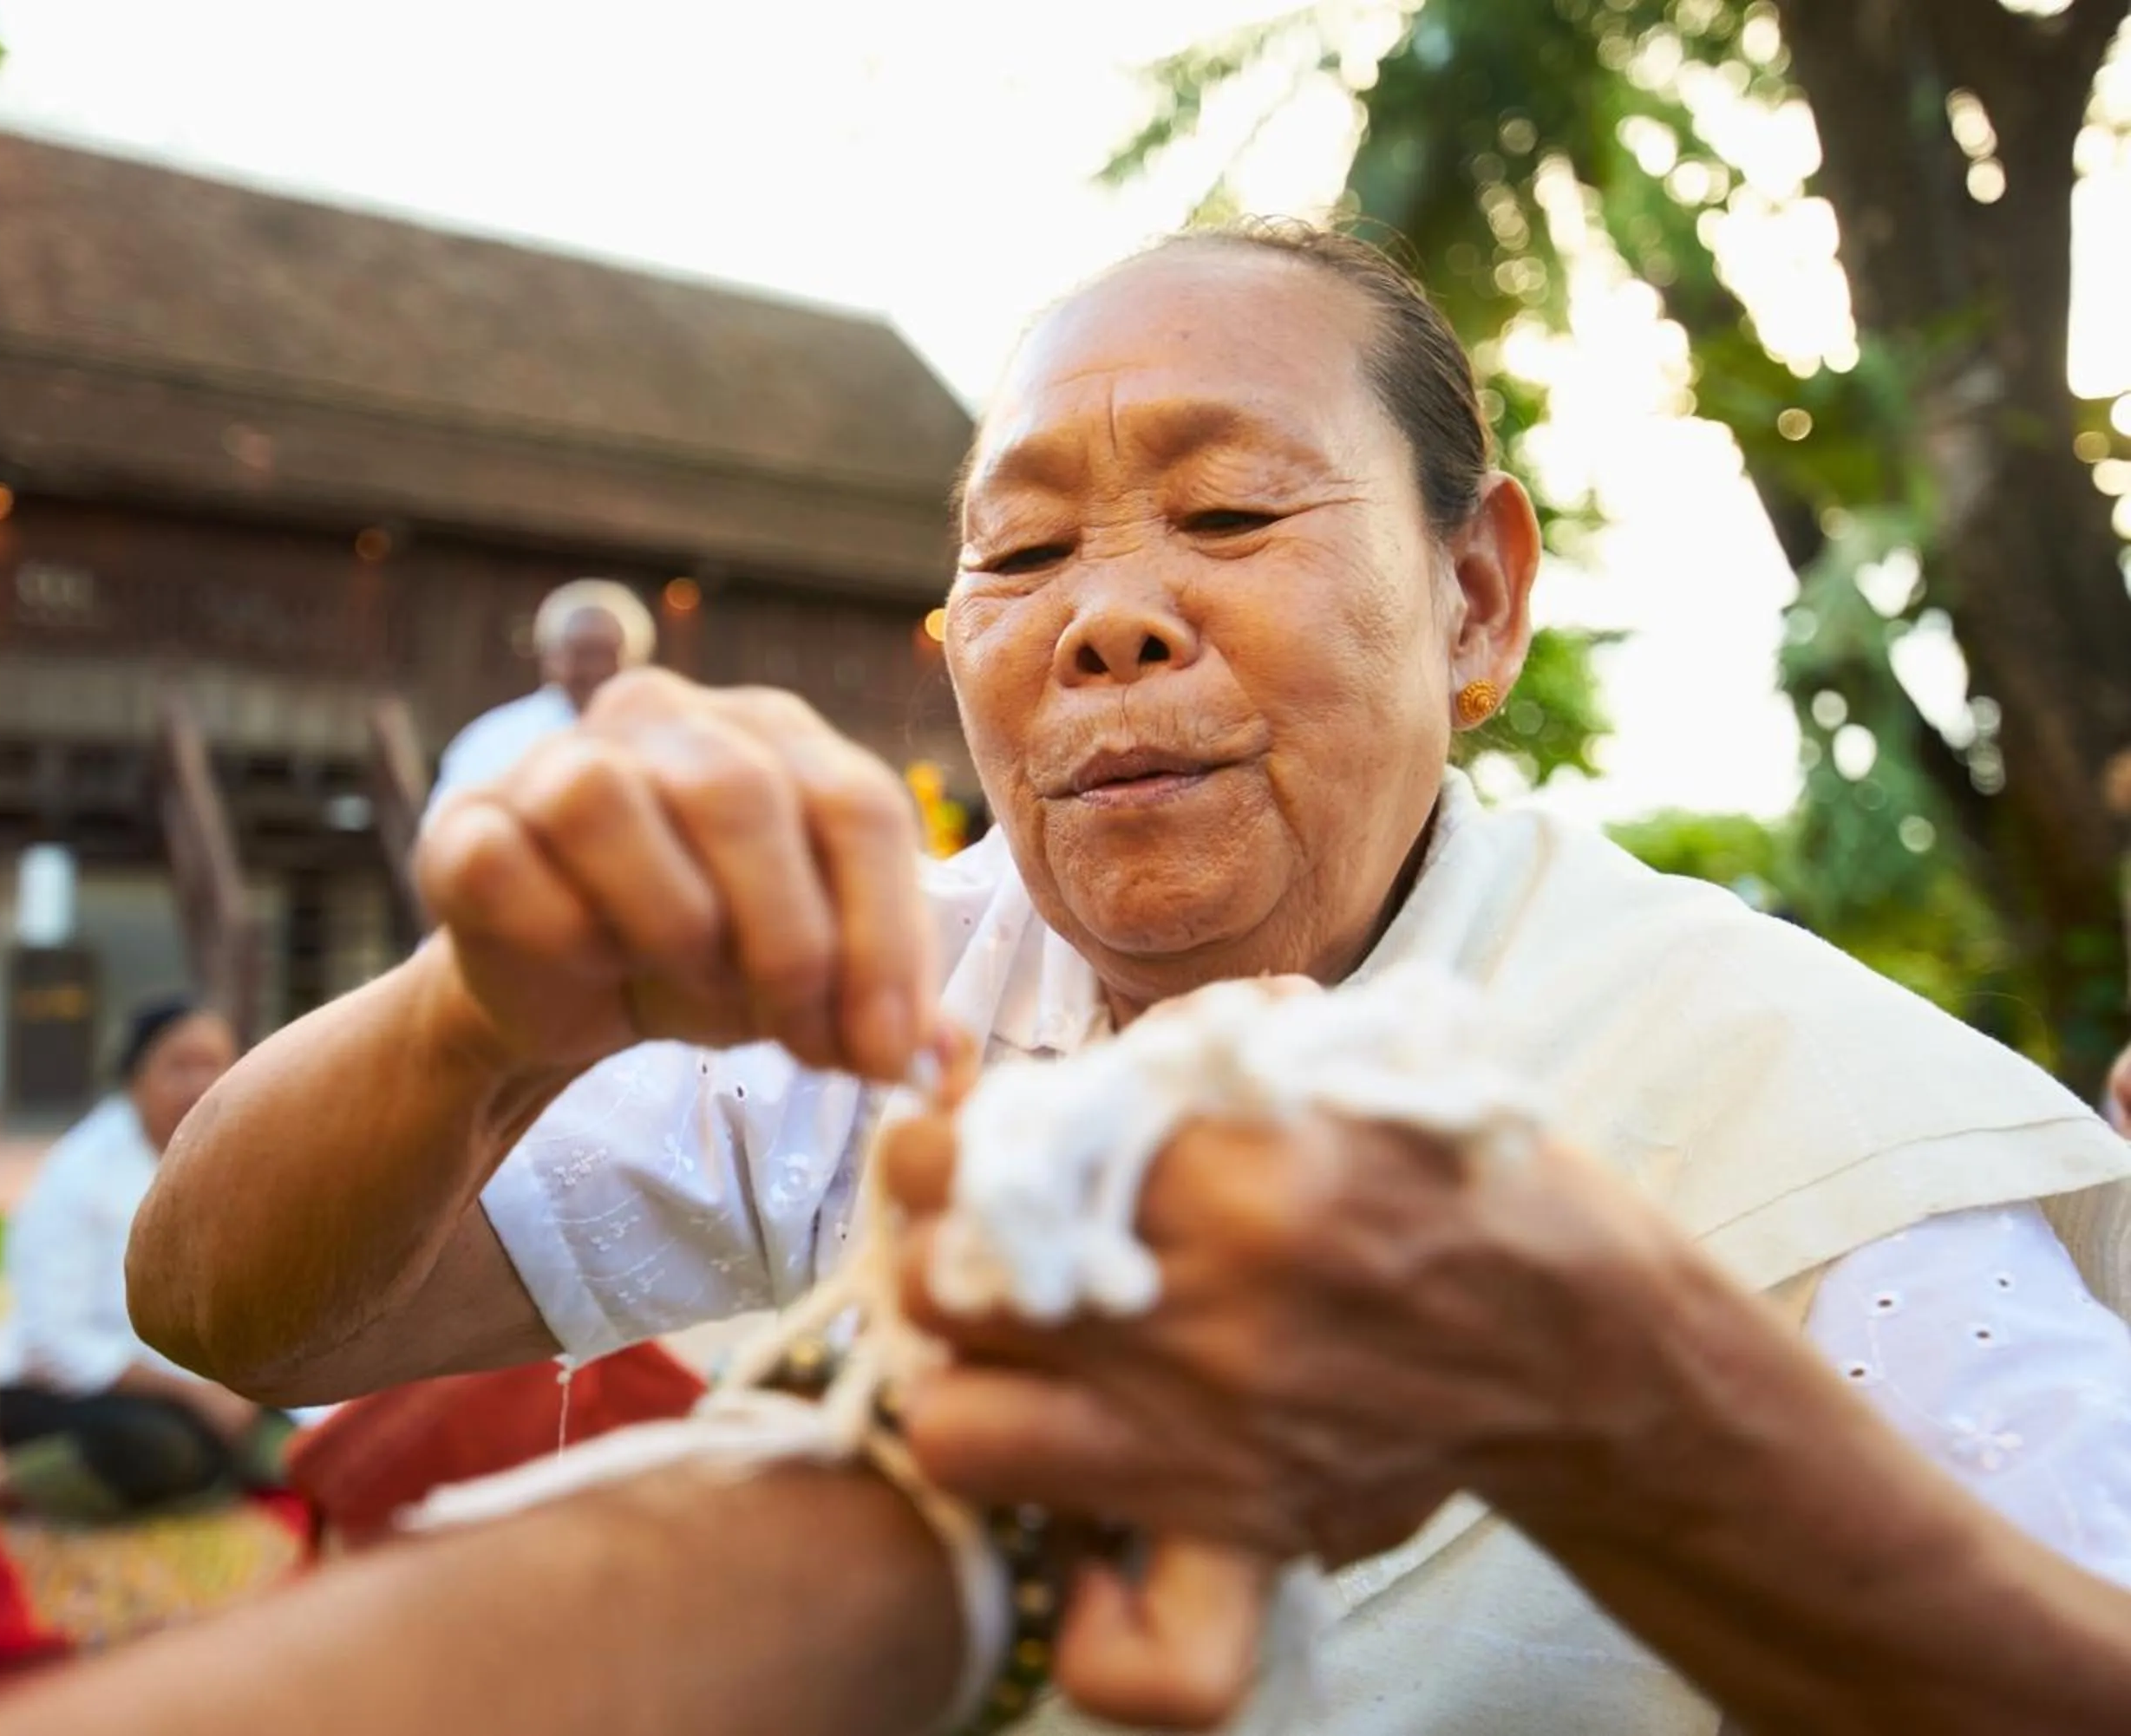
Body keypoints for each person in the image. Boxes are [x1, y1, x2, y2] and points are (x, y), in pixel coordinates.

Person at [128, 220, 2131, 1733]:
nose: (1104, 622)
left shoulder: (1777, 1091)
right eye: (1016, 560)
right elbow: (233, 1312)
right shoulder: (870, 988)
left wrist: (1628, 1421)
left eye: (1231, 510)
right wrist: (466, 1018)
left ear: (1474, 596)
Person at [0, 999, 300, 1533]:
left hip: (205, 1386)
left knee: (294, 1453)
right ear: (133, 1077)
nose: (199, 1083)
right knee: (166, 1451)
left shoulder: (235, 1162)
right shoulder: (78, 1173)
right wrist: (196, 1394)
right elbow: (54, 1338)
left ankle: (207, 1470)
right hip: (62, 1393)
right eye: (179, 1066)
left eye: (216, 1065)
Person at [422, 578, 658, 822]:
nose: (595, 669)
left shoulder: (660, 743)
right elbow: (447, 834)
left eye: (608, 654)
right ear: (550, 658)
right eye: (582, 653)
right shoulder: (494, 741)